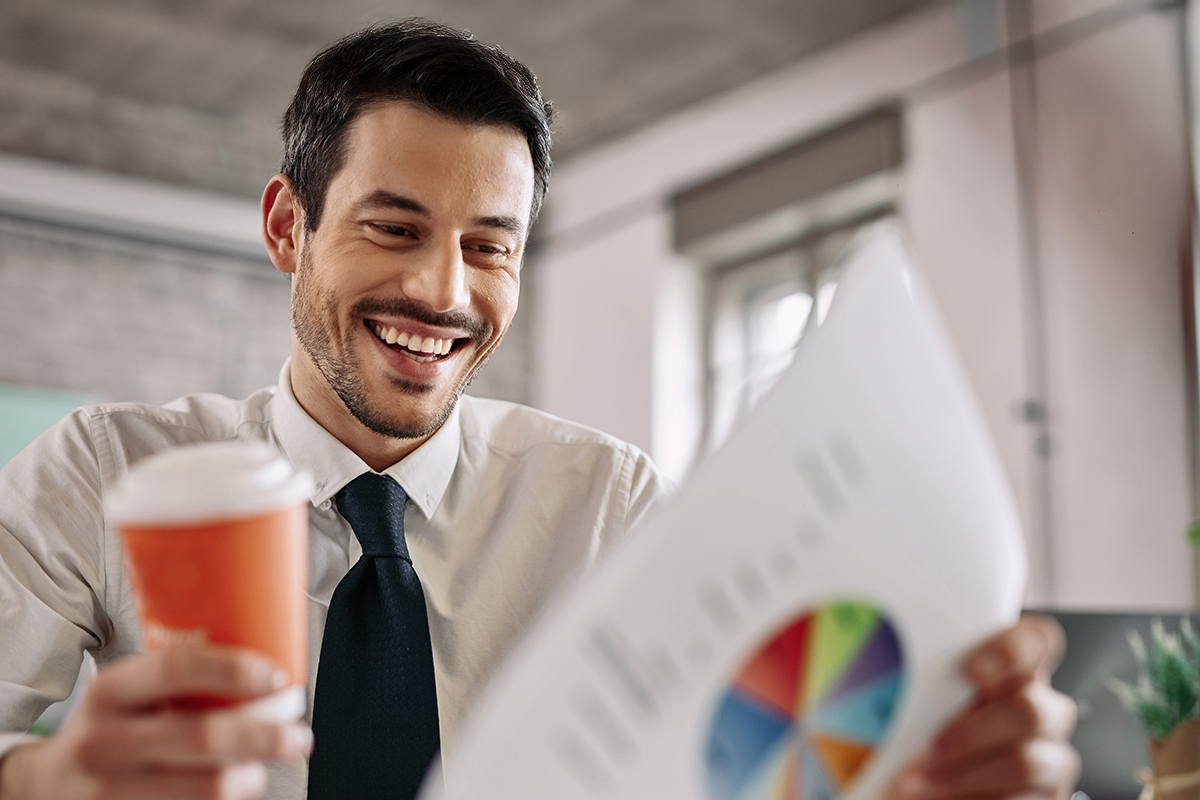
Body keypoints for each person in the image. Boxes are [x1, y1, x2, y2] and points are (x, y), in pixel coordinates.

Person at [0, 18, 1077, 800]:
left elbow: (725, 768)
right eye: (393, 226)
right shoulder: (106, 469)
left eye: (490, 246)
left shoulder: (609, 502)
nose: (443, 291)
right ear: (289, 225)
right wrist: (50, 776)